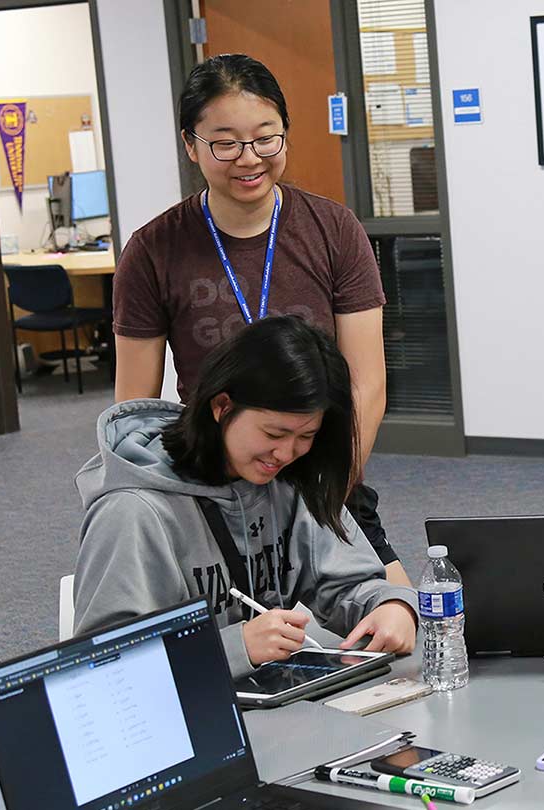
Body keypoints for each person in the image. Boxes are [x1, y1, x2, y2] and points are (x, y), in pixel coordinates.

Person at [108, 53, 408, 587]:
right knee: (231, 642)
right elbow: (134, 411)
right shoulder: (154, 250)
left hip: (320, 480)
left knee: (401, 627)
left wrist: (328, 478)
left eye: (266, 138)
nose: (249, 158)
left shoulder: (333, 230)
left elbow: (367, 382)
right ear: (190, 145)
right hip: (213, 489)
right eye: (225, 142)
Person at [72, 316, 417, 677]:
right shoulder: (132, 511)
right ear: (222, 407)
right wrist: (236, 648)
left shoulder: (287, 479)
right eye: (274, 433)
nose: (285, 453)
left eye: (306, 436)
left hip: (274, 701)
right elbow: (102, 666)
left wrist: (392, 605)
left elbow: (348, 584)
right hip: (186, 718)